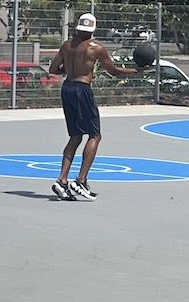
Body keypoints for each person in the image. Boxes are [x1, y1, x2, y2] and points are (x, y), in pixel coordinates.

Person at [47, 13, 130, 200]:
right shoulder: (96, 48)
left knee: (75, 136)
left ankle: (62, 180)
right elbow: (114, 71)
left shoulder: (66, 45)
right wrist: (136, 70)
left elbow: (53, 70)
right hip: (82, 90)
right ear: (93, 30)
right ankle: (80, 180)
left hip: (67, 88)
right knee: (95, 135)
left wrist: (69, 69)